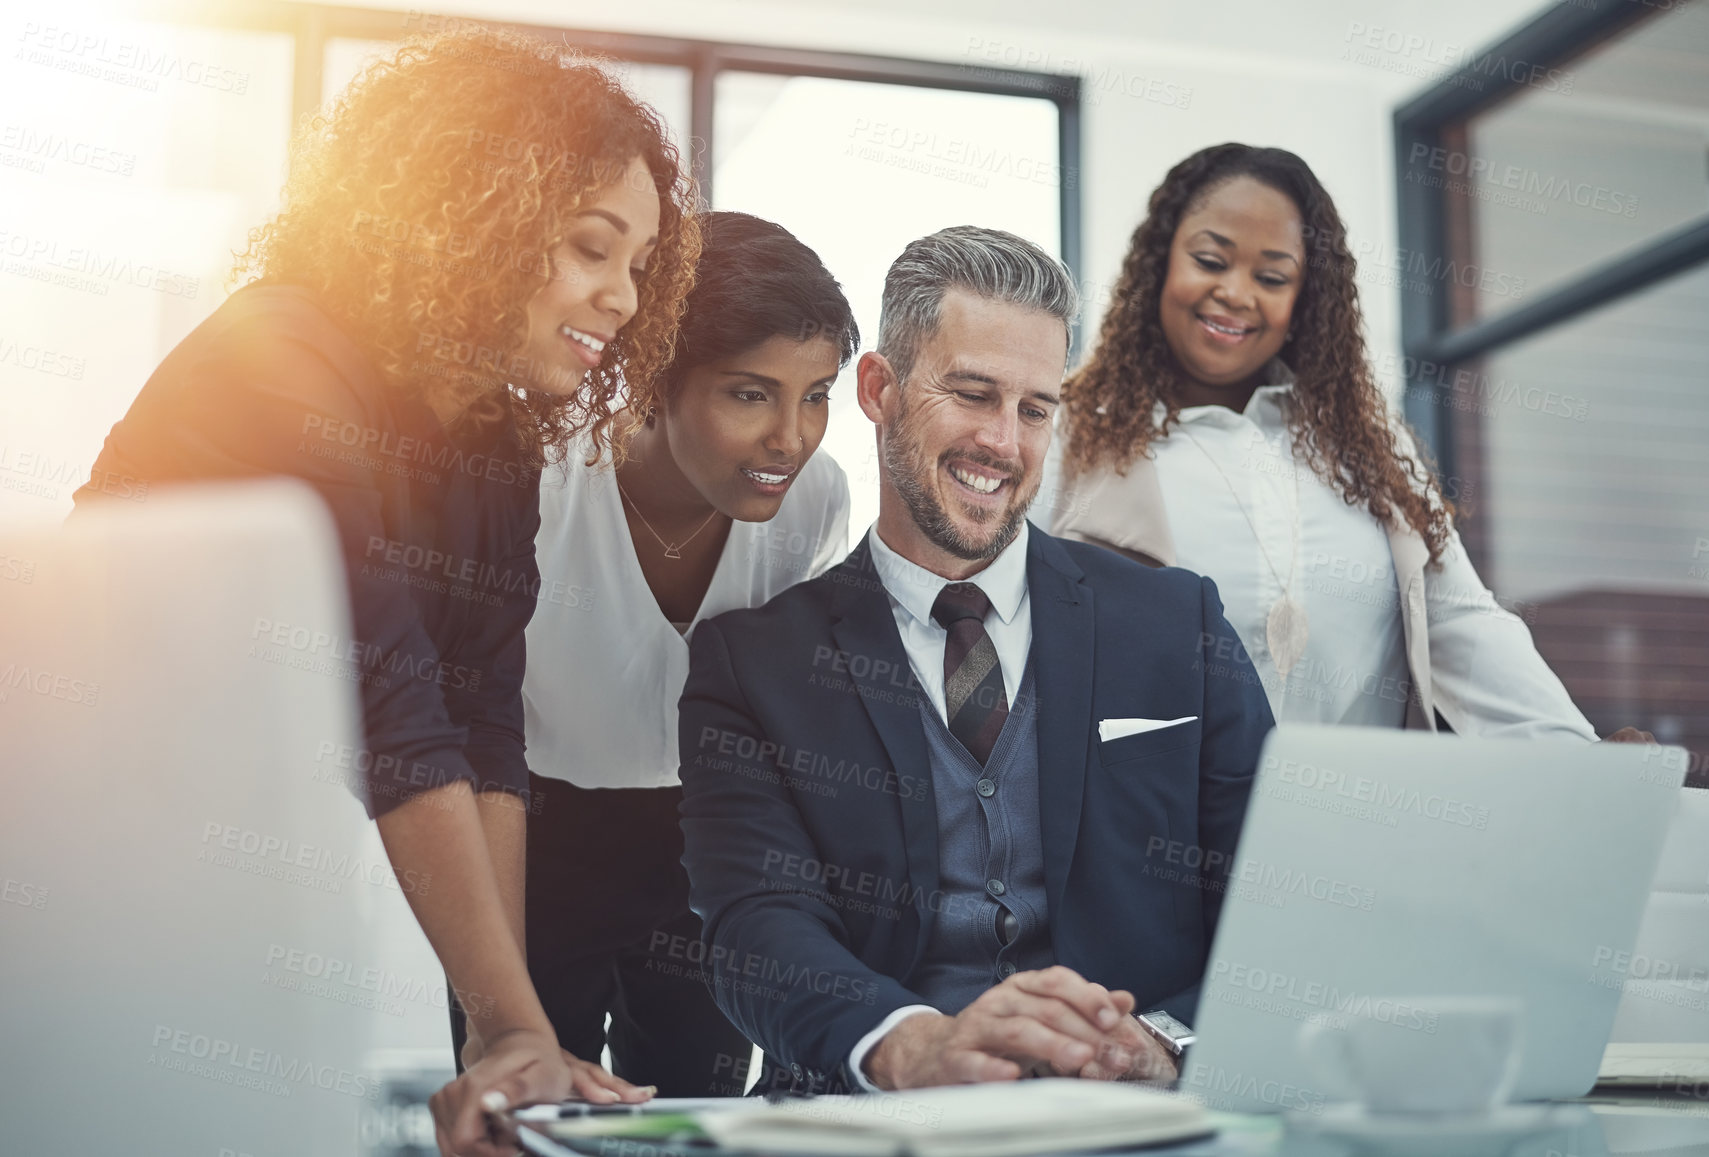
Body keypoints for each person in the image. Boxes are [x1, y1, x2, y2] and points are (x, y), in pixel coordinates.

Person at [71, 29, 699, 1156]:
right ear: (474, 218)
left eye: (641, 266)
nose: (620, 297)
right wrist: (510, 1019)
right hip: (74, 849)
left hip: (205, 856)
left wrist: (500, 1035)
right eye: (591, 248)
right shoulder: (277, 357)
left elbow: (481, 719)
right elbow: (392, 703)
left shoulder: (492, 433)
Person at [676, 226, 1275, 1094]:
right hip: (869, 1124)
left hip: (1125, 1120)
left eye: (1035, 408)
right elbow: (755, 927)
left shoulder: (1177, 621)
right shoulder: (750, 664)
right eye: (973, 393)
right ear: (879, 389)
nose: (1003, 441)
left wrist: (1161, 1042)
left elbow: (1270, 895)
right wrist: (909, 1045)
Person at [1052, 143, 1651, 742]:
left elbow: (1461, 621)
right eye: (1210, 261)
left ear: (1304, 297)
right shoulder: (1070, 430)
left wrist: (1576, 752)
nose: (1236, 293)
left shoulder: (1367, 441)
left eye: (1272, 277)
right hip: (1149, 828)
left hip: (1348, 819)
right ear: (1160, 264)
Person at [516, 211, 859, 1095]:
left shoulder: (812, 498)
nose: (792, 437)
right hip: (535, 844)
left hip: (709, 847)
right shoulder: (540, 485)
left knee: (693, 1110)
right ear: (650, 379)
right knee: (529, 1114)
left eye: (815, 394)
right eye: (750, 394)